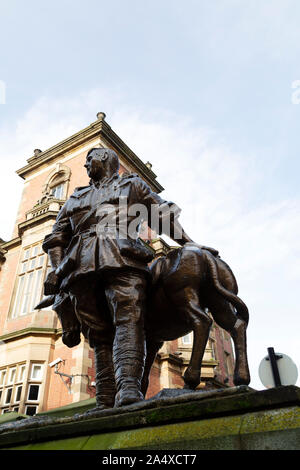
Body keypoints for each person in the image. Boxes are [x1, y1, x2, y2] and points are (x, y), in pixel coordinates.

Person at [42, 147, 217, 408]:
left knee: (129, 318)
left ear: (103, 160)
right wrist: (56, 268)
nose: (86, 166)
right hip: (80, 268)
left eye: (89, 160)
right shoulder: (75, 198)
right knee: (98, 334)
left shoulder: (132, 185)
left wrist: (191, 244)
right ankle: (104, 399)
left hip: (123, 257)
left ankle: (128, 389)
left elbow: (163, 217)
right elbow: (56, 239)